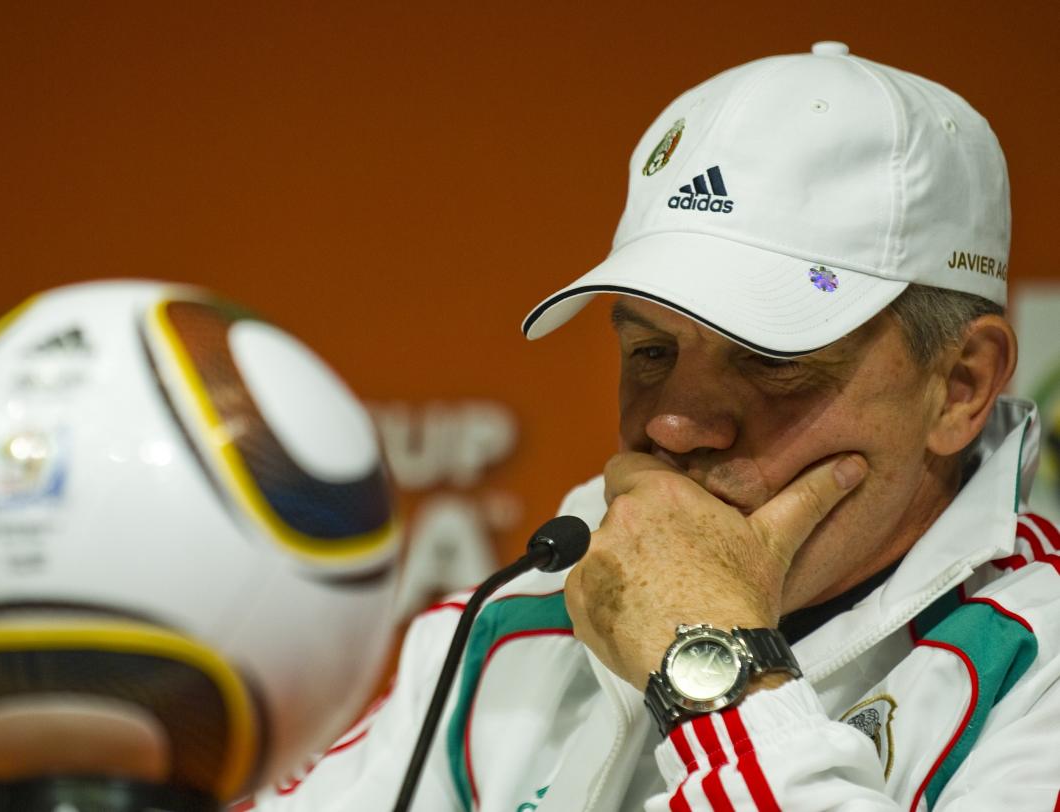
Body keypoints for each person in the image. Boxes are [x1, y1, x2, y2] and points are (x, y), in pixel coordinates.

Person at [241, 42, 1059, 811]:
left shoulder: (1040, 663)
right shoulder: (500, 626)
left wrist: (710, 666)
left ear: (959, 386)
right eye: (652, 350)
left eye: (770, 359)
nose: (672, 425)